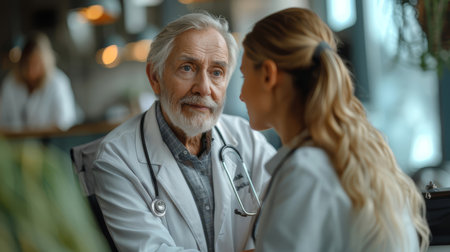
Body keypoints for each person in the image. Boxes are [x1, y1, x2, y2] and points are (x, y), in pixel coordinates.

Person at [239, 8, 430, 252]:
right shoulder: (362, 157)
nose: (241, 95)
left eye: (244, 76)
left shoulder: (305, 172)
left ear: (268, 74)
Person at [93, 12, 275, 252]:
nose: (203, 87)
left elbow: (290, 221)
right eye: (188, 68)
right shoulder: (116, 158)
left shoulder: (248, 139)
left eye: (217, 72)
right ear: (155, 77)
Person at [0, 32, 77, 131]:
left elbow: (65, 123)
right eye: (27, 63)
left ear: (45, 62)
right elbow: (3, 122)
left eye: (36, 63)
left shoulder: (58, 83)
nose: (31, 70)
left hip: (49, 143)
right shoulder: (10, 83)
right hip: (15, 144)